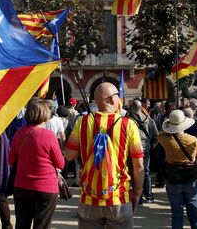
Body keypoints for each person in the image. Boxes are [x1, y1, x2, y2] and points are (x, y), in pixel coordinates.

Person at [65, 82, 144, 229]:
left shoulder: (81, 122)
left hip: (89, 198)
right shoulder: (129, 124)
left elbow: (69, 156)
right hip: (119, 197)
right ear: (114, 100)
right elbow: (139, 166)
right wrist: (138, 192)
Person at [9, 99, 64, 229]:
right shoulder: (49, 135)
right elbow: (60, 164)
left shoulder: (19, 133)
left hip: (22, 185)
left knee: (22, 224)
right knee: (42, 225)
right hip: (45, 187)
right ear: (44, 114)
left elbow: (10, 160)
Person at [159, 109, 197, 229]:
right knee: (194, 214)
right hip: (191, 179)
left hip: (173, 178)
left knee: (177, 213)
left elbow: (160, 134)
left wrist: (168, 126)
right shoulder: (193, 139)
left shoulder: (165, 140)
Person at [127, 99, 158, 204]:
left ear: (132, 108)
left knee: (133, 172)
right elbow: (155, 134)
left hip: (133, 149)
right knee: (146, 171)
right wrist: (153, 145)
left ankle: (137, 197)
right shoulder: (149, 119)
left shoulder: (128, 120)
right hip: (146, 148)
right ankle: (148, 195)